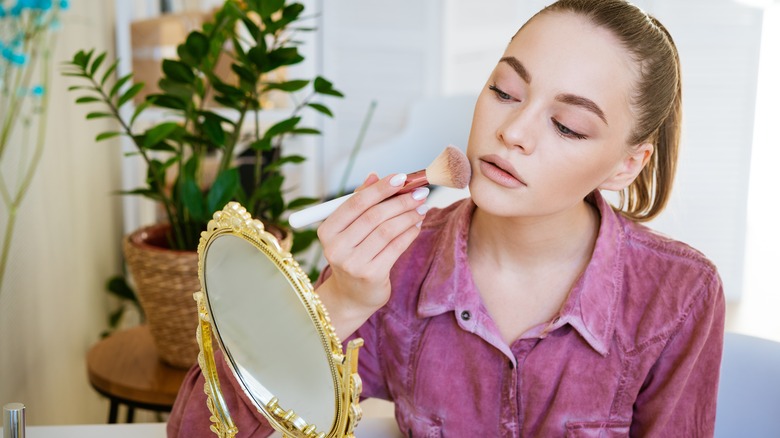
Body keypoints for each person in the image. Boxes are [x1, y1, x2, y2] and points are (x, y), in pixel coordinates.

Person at [168, 0, 725, 436]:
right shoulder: (398, 267)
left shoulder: (679, 294)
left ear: (627, 164)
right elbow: (197, 431)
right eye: (505, 91)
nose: (514, 132)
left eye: (568, 126)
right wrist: (341, 303)